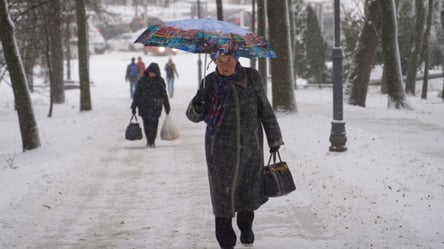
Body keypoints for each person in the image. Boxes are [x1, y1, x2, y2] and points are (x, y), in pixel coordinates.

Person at [186, 48, 283, 249]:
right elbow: (193, 116)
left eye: (228, 60)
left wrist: (274, 139)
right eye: (220, 62)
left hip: (250, 148)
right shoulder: (209, 83)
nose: (225, 66)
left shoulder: (252, 78)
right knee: (222, 195)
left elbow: (264, 108)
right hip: (219, 151)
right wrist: (199, 102)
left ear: (236, 59)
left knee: (247, 193)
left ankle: (245, 227)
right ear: (213, 62)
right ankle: (226, 240)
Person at [131, 63, 171, 147]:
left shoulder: (160, 81)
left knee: (154, 125)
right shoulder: (142, 80)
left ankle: (152, 141)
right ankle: (149, 140)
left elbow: (164, 94)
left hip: (155, 107)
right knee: (146, 125)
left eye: (153, 72)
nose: (152, 74)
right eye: (150, 72)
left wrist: (167, 106)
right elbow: (137, 94)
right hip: (144, 106)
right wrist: (133, 106)